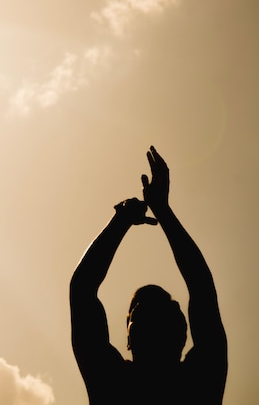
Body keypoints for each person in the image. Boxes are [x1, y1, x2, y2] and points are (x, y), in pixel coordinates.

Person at [70, 146, 227, 404]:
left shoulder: (112, 384)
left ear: (184, 329)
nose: (154, 313)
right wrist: (160, 211)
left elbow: (82, 289)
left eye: (163, 309)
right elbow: (201, 286)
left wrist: (124, 220)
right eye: (143, 310)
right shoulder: (200, 380)